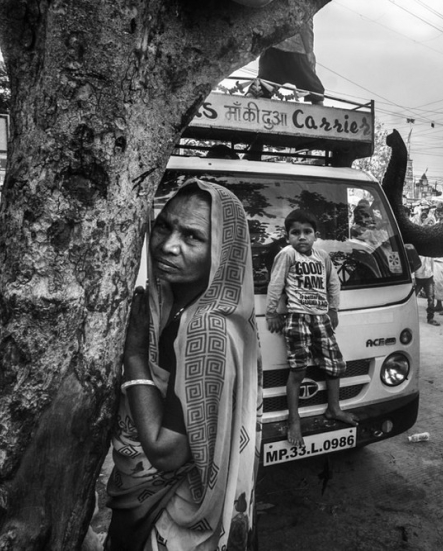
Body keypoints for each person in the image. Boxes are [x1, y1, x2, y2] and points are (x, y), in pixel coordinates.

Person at [106, 181, 261, 550]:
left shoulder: (207, 326)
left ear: (223, 250)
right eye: (164, 226)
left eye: (192, 236)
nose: (168, 245)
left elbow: (166, 452)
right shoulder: (174, 303)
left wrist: (133, 357)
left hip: (175, 515)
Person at [265, 209, 358, 447]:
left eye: (307, 232)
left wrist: (334, 309)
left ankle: (334, 409)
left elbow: (333, 282)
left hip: (321, 318)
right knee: (298, 370)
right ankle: (294, 420)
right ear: (288, 237)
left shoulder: (322, 256)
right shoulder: (287, 254)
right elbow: (275, 283)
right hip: (296, 318)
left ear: (315, 235)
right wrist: (272, 312)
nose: (302, 237)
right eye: (296, 233)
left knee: (335, 365)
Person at [250, 18, 324, 105]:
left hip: (274, 49)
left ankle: (249, 106)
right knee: (314, 91)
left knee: (262, 85)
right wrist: (309, 52)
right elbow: (306, 26)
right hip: (294, 53)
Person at [411, 207, 439, 326]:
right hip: (418, 276)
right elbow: (412, 260)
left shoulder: (432, 243)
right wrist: (412, 277)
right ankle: (408, 318)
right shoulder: (417, 243)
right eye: (428, 225)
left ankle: (430, 317)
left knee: (431, 297)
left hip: (429, 276)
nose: (430, 228)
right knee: (411, 299)